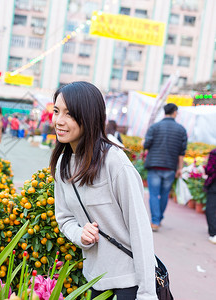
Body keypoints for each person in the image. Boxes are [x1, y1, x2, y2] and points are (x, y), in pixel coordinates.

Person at [51, 82, 156, 300]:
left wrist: (147, 293)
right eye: (56, 111)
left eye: (69, 114)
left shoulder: (114, 163)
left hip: (129, 282)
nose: (59, 121)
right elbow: (64, 218)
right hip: (93, 279)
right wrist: (79, 233)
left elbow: (140, 230)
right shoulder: (63, 163)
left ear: (88, 117)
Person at [144, 103, 187, 231]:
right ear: (174, 112)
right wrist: (179, 168)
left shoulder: (155, 127)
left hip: (154, 165)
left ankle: (155, 221)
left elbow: (146, 144)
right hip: (170, 167)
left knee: (153, 194)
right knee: (164, 194)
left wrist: (143, 143)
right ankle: (159, 218)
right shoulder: (181, 130)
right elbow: (181, 152)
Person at [204, 148, 216, 244]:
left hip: (214, 184)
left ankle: (213, 233)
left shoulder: (214, 152)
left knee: (211, 209)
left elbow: (209, 170)